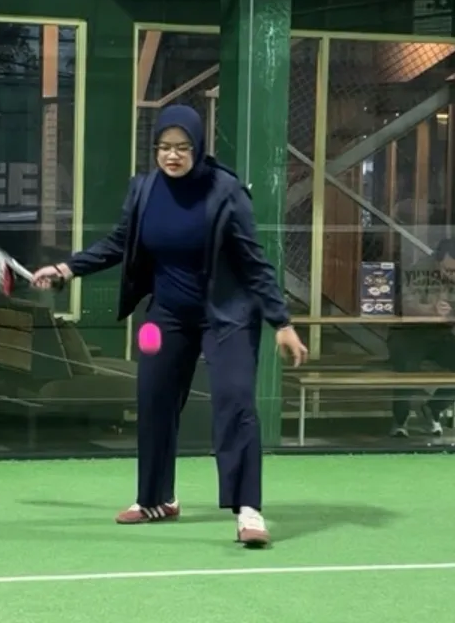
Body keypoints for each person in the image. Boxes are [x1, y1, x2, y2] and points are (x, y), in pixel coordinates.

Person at [32, 104, 308, 546]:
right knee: (154, 401)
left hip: (228, 315)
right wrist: (67, 269)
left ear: (198, 147)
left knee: (235, 404)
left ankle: (248, 510)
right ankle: (156, 499)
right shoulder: (144, 190)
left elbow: (253, 262)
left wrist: (282, 321)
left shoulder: (226, 191)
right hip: (168, 315)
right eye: (164, 147)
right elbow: (120, 243)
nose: (172, 155)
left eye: (182, 147)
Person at [389, 237, 455, 438]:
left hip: (441, 334)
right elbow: (406, 306)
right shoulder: (418, 271)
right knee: (406, 367)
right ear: (438, 263)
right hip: (408, 333)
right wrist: (431, 309)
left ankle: (433, 408)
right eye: (449, 270)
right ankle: (400, 420)